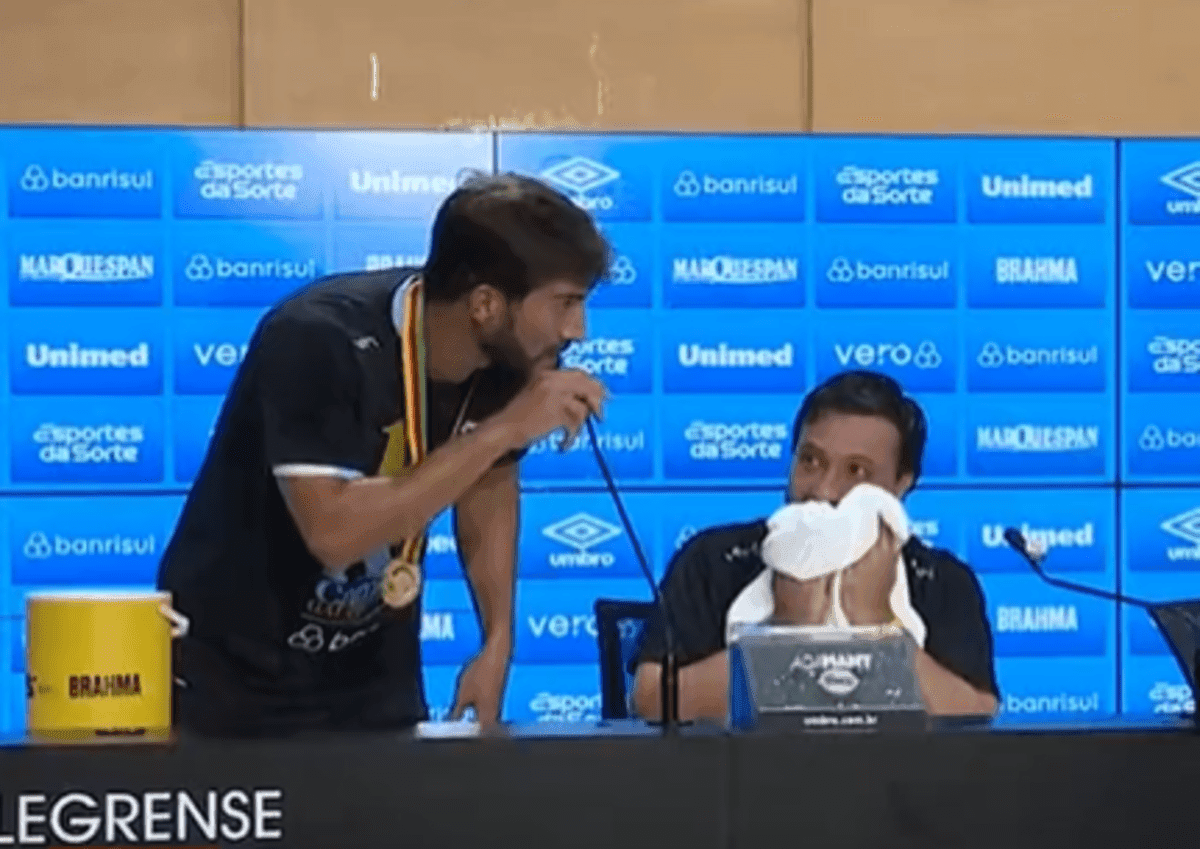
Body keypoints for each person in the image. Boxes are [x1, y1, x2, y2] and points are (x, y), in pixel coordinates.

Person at [158, 172, 611, 737]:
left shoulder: (511, 357)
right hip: (237, 672)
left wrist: (496, 640)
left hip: (374, 672)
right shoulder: (318, 337)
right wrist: (501, 431)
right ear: (485, 304)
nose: (578, 330)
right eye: (566, 303)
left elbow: (489, 485)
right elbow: (332, 531)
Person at [629, 370, 1000, 722]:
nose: (823, 490)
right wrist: (784, 633)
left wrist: (877, 624)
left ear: (901, 485)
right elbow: (650, 701)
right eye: (811, 461)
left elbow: (977, 714)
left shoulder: (941, 580)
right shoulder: (715, 560)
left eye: (856, 471)